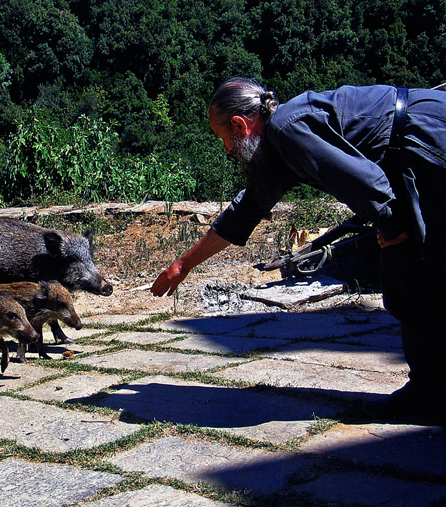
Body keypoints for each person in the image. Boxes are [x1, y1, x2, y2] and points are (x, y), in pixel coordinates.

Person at [151, 77, 446, 419]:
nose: (228, 151)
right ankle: (429, 392)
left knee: (416, 273)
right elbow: (245, 211)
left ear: (240, 125)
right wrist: (183, 264)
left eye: (224, 140)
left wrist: (392, 224)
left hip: (427, 140)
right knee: (406, 277)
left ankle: (429, 394)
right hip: (415, 147)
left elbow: (359, 178)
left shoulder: (286, 129)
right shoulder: (277, 146)